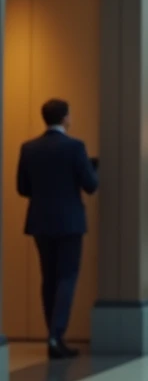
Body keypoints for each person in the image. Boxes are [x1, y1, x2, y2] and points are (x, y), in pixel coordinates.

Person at [16, 98, 99, 359]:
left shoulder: (29, 148)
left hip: (40, 221)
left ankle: (52, 335)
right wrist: (93, 167)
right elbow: (90, 185)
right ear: (65, 118)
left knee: (48, 278)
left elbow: (23, 188)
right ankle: (56, 335)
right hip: (70, 222)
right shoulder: (75, 147)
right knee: (67, 276)